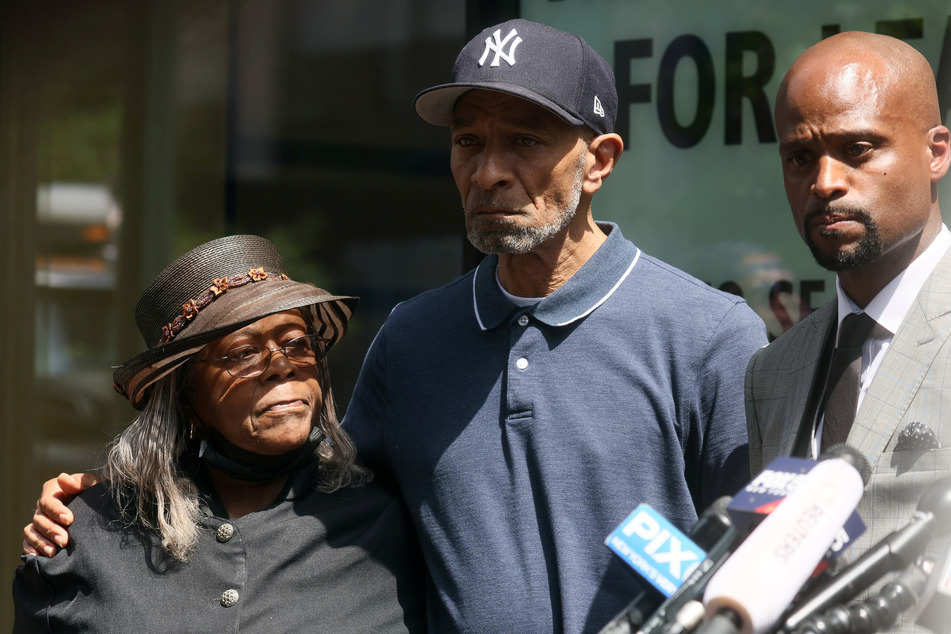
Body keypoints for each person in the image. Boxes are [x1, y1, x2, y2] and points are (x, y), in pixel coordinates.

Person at [25, 20, 767, 633]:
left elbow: (766, 562)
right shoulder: (414, 339)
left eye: (525, 141)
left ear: (599, 160)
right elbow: (296, 480)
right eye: (468, 142)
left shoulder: (708, 334)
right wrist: (118, 500)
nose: (487, 172)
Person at [14, 235, 425, 632]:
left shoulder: (389, 524)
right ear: (185, 395)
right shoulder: (87, 533)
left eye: (297, 343)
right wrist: (91, 510)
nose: (281, 365)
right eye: (244, 353)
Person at [745, 31, 951, 630]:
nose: (825, 182)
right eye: (800, 157)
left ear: (936, 151)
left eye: (858, 147)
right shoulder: (773, 371)